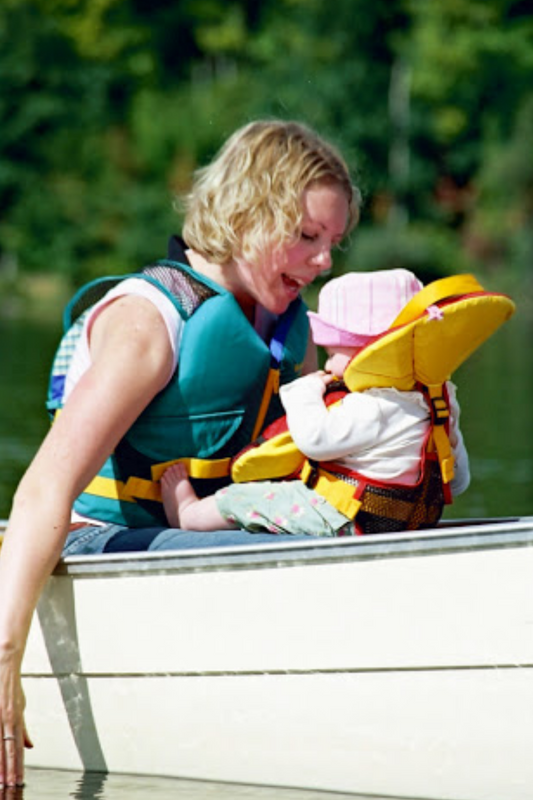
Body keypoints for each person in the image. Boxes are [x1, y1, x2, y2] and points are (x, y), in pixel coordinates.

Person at [0, 119, 359, 785]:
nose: (324, 262)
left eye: (332, 242)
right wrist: (5, 661)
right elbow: (40, 492)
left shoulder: (283, 332)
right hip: (91, 539)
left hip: (194, 535)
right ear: (246, 214)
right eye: (307, 237)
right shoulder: (146, 322)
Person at [160, 269, 470, 537]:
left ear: (373, 352)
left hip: (349, 518)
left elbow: (317, 440)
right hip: (411, 520)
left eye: (335, 355)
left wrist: (304, 392)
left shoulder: (374, 405)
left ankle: (190, 514)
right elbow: (457, 483)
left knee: (247, 497)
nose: (330, 366)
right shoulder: (439, 398)